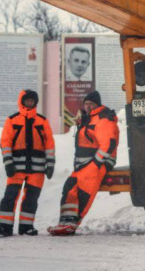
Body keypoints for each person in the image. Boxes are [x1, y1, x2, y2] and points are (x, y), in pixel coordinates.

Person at [48, 91, 119, 236]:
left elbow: (108, 144)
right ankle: (65, 221)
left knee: (85, 190)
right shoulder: (89, 119)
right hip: (85, 164)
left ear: (97, 104)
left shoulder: (103, 119)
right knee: (69, 187)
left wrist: (96, 163)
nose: (88, 107)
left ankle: (73, 223)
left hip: (98, 162)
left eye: (91, 104)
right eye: (86, 104)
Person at [0, 89, 56, 237]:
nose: (30, 103)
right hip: (16, 168)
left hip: (37, 169)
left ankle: (26, 227)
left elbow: (49, 144)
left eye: (32, 101)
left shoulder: (42, 121)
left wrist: (50, 164)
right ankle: (4, 226)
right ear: (21, 101)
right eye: (27, 100)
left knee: (31, 199)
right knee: (10, 196)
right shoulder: (12, 120)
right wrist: (8, 163)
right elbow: (5, 143)